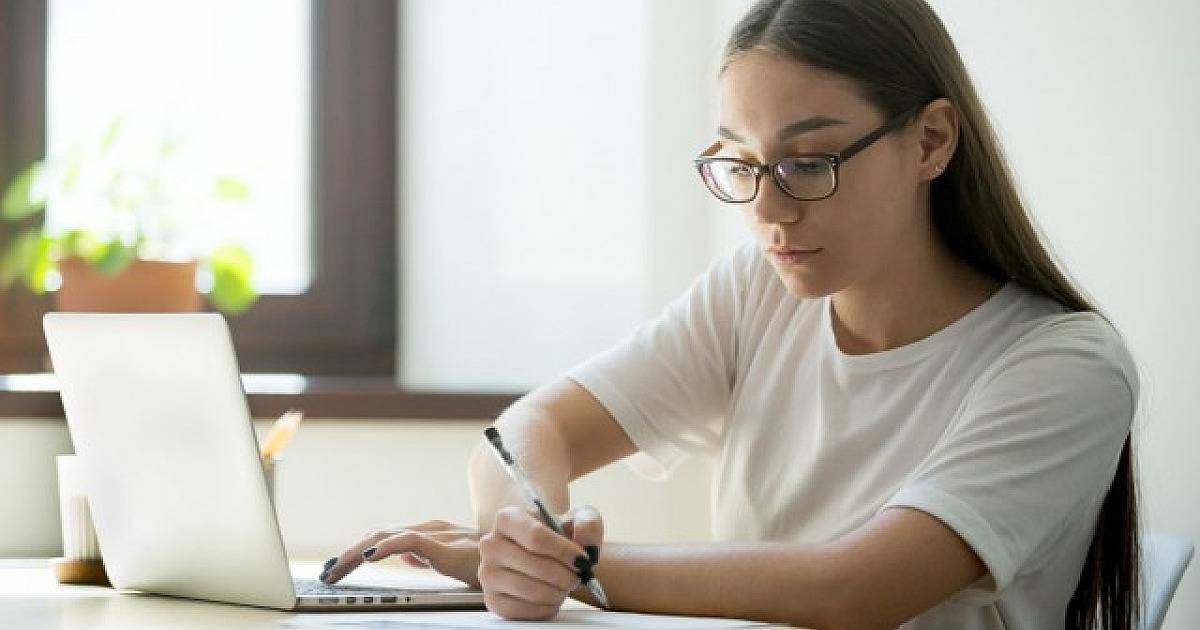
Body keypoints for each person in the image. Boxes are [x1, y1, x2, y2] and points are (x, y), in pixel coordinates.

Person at [321, 1, 1140, 628]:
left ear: (930, 141)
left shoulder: (1064, 364)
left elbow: (858, 588)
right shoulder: (759, 290)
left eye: (808, 163)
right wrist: (517, 534)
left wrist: (574, 566)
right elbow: (537, 426)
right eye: (742, 164)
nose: (770, 211)